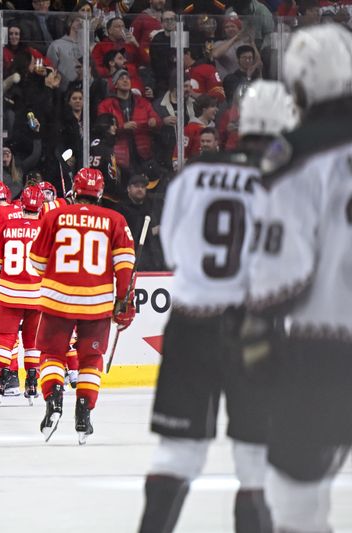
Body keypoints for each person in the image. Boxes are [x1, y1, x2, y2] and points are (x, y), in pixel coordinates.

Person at [137, 79, 299, 533]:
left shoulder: (193, 174)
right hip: (256, 328)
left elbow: (172, 246)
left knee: (177, 451)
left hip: (192, 322)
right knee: (255, 456)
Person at [245, 25, 352, 533]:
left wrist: (257, 339)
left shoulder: (291, 152)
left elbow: (278, 275)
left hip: (325, 347)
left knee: (298, 498)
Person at [29, 167, 136, 444]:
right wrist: (124, 301)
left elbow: (37, 262)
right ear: (100, 193)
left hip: (56, 299)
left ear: (74, 191)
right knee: (90, 360)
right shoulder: (115, 219)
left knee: (52, 354)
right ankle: (84, 413)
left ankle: (53, 400)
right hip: (96, 302)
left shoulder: (54, 215)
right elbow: (124, 265)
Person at [0, 185, 45, 405]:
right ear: (41, 206)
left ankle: (0, 380)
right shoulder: (46, 228)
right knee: (33, 340)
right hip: (38, 295)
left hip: (9, 293)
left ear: (21, 204)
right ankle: (31, 381)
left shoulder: (7, 227)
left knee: (3, 339)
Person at [117, 174, 165, 271]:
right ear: (128, 188)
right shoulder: (121, 209)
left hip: (152, 262)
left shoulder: (152, 208)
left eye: (143, 187)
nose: (140, 189)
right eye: (136, 186)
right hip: (129, 260)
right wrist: (152, 231)